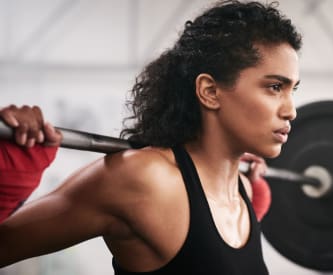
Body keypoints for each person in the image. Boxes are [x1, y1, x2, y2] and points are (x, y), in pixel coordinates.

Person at [0, 0, 301, 274]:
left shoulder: (242, 189)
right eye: (275, 87)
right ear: (209, 92)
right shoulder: (143, 179)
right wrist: (8, 179)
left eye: (292, 90)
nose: (291, 111)